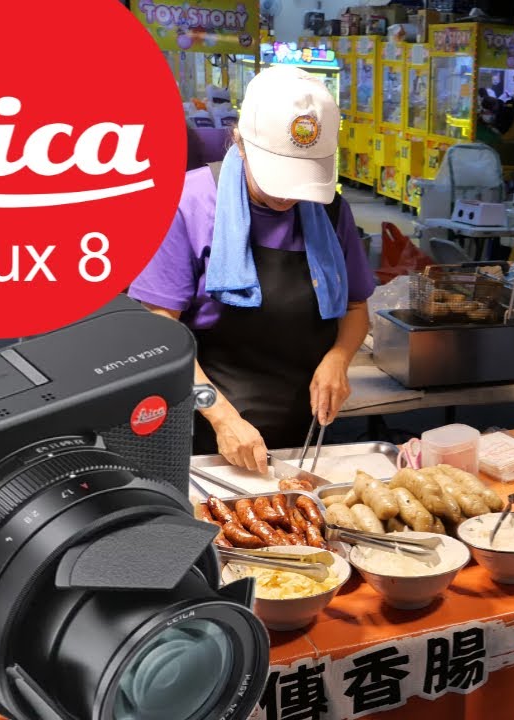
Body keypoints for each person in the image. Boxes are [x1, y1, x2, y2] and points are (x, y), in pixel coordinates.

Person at [128, 65, 377, 472]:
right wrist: (222, 418)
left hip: (305, 431)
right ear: (239, 142)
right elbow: (159, 335)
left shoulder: (329, 212)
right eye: (278, 180)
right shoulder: (188, 205)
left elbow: (354, 307)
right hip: (205, 431)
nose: (289, 198)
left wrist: (338, 357)